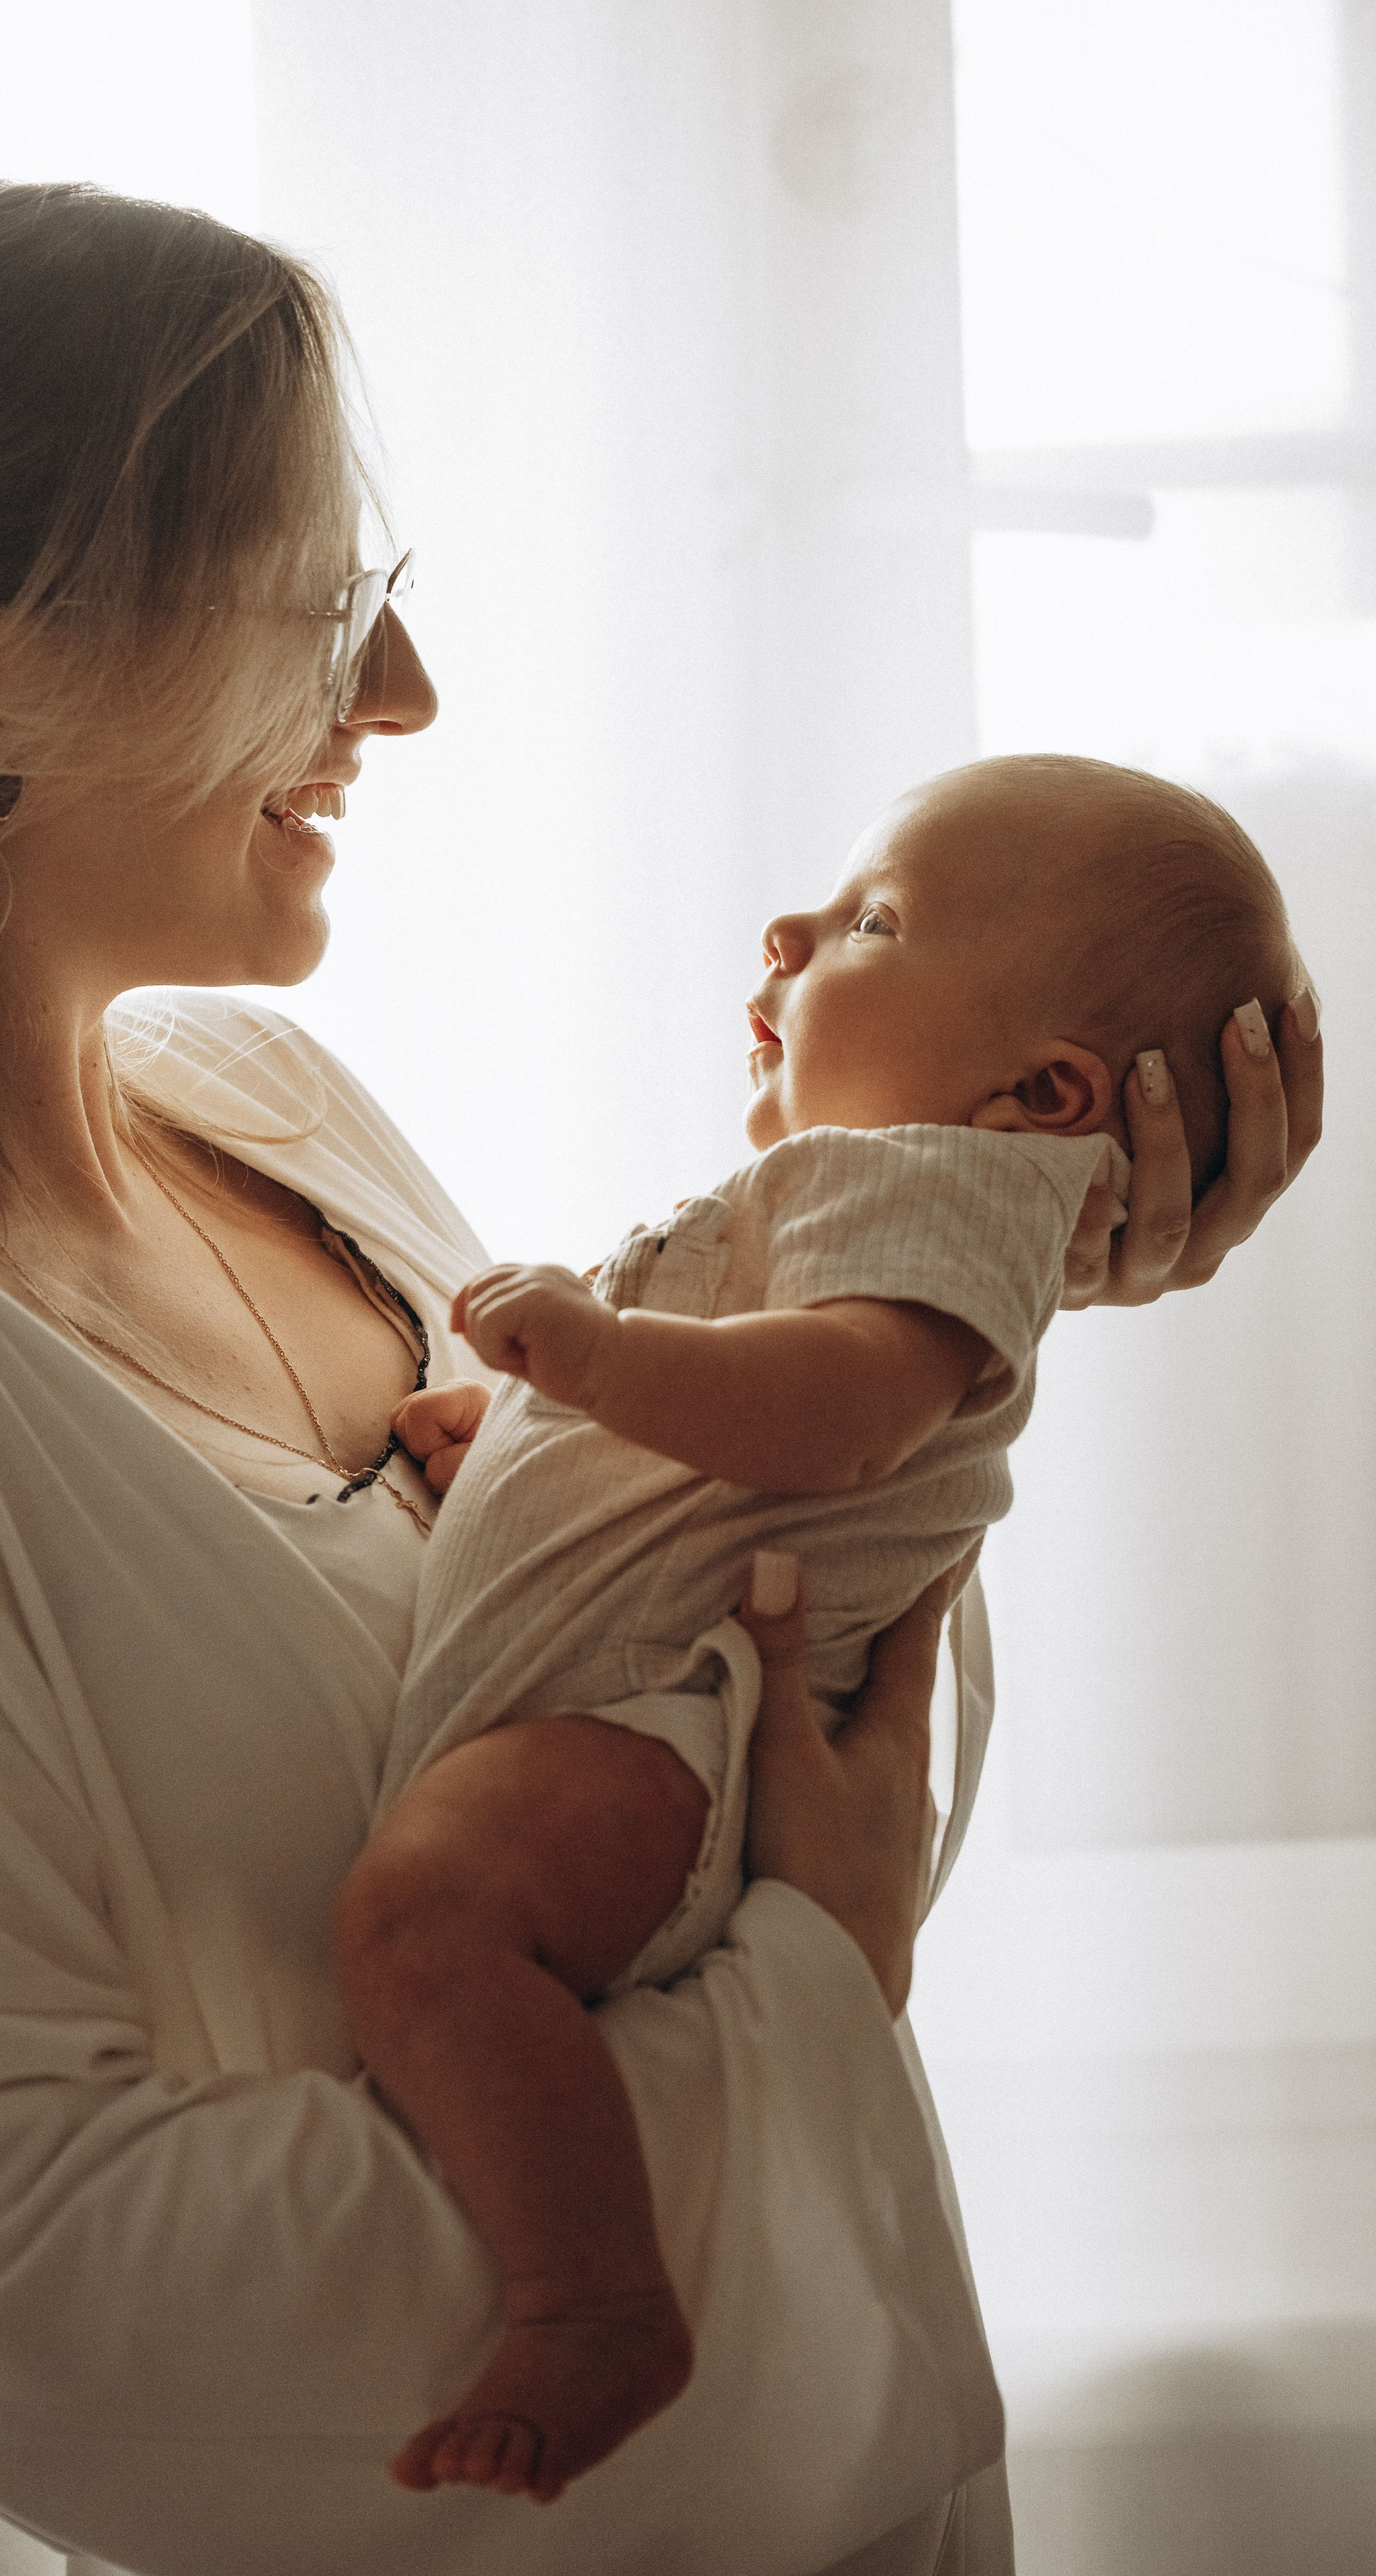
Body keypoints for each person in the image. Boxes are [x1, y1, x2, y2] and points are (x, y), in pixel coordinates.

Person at [0, 178, 1321, 2576]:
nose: (405, 697)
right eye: (314, 609)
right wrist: (819, 1994)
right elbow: (55, 2304)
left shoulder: (275, 1113)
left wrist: (971, 1290)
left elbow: (731, 1673)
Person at [335, 756, 1309, 2504]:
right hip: (664, 1701)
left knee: (429, 1920)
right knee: (435, 1923)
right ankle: (590, 2288)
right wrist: (535, 1435)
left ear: (1042, 1090)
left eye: (871, 920)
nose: (790, 928)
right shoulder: (885, 1199)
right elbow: (752, 1454)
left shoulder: (932, 1186)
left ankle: (592, 2301)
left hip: (682, 1728)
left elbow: (836, 1421)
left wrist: (593, 1361)